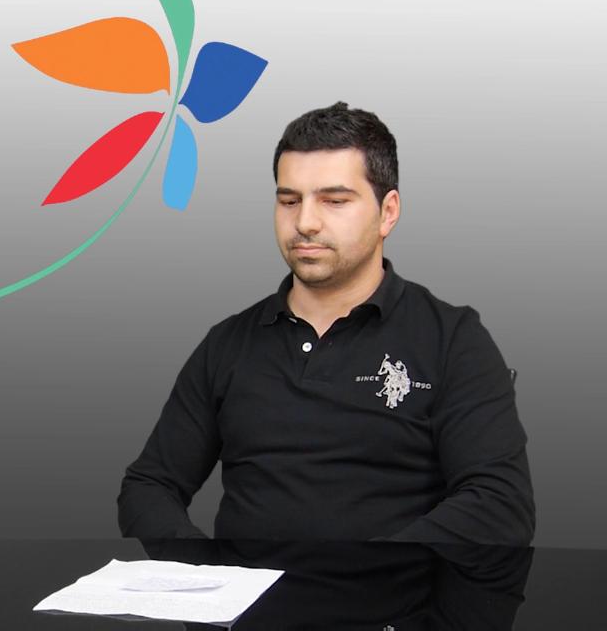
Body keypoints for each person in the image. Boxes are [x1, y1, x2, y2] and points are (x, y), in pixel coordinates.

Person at [117, 102, 535, 545]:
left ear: (388, 212)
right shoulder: (228, 344)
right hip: (246, 591)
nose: (305, 222)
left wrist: (369, 573)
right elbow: (149, 487)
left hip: (393, 588)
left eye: (334, 201)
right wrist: (203, 575)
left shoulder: (452, 340)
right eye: (289, 201)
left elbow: (499, 504)